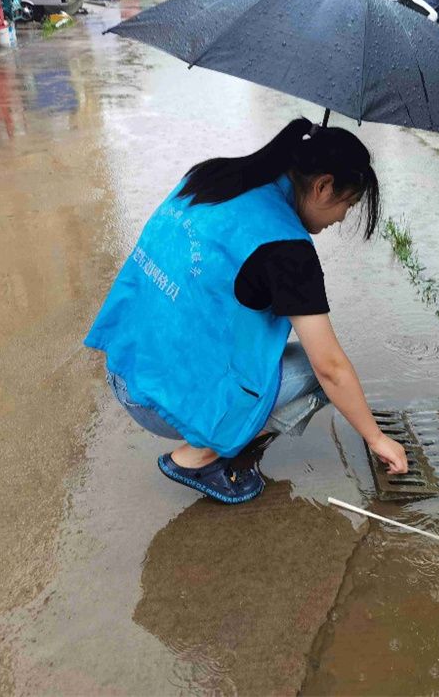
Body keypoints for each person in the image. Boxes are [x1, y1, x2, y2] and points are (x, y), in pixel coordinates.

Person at [84, 118, 409, 504]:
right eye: (348, 205)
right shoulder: (287, 247)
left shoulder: (212, 176)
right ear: (323, 186)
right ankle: (199, 456)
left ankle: (217, 435)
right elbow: (330, 367)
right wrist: (375, 437)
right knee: (316, 373)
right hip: (159, 402)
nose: (340, 219)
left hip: (124, 367)